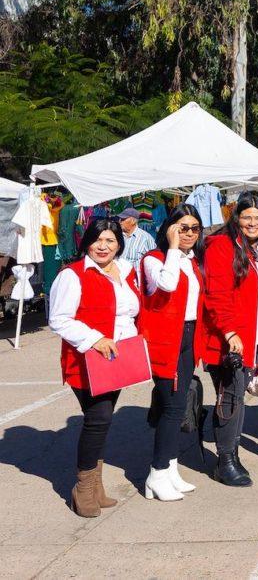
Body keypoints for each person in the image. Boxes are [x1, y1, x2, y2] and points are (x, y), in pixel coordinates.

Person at [49, 218, 141, 517]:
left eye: (110, 241)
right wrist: (95, 338)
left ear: (119, 245)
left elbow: (129, 312)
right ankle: (84, 487)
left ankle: (96, 485)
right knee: (97, 418)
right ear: (87, 241)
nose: (103, 246)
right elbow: (59, 319)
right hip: (87, 359)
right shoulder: (72, 274)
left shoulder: (125, 271)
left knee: (102, 419)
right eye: (97, 240)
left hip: (118, 360)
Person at [201, 193, 258, 487]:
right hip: (229, 339)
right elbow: (216, 293)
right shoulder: (221, 246)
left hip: (254, 336)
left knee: (237, 396)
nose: (253, 223)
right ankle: (225, 461)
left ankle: (231, 452)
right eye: (247, 217)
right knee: (230, 398)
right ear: (236, 218)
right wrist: (230, 330)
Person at [138, 204, 207, 501]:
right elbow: (167, 284)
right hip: (165, 339)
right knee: (170, 407)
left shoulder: (191, 260)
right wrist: (173, 247)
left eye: (194, 228)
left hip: (189, 335)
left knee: (179, 406)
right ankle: (156, 473)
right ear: (169, 229)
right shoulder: (154, 260)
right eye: (182, 228)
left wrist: (180, 252)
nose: (189, 233)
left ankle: (170, 469)